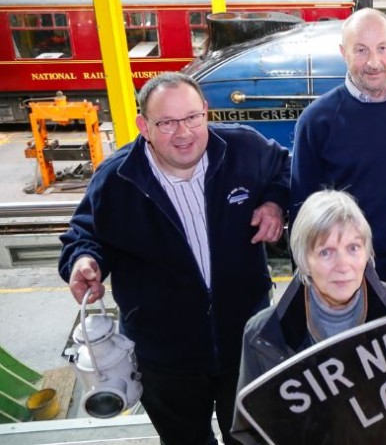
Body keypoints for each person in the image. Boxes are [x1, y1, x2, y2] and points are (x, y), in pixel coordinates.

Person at [59, 72, 290, 445]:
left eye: (192, 118)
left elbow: (286, 168)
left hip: (245, 344)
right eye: (166, 122)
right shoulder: (117, 179)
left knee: (252, 438)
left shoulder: (245, 150)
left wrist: (275, 202)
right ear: (144, 126)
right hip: (165, 360)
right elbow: (84, 234)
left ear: (206, 113)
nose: (183, 133)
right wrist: (85, 260)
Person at [232, 189, 386, 444]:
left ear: (367, 253)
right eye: (326, 252)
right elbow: (250, 433)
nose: (343, 265)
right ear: (304, 261)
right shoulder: (264, 335)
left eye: (353, 248)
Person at [291, 7, 386, 282]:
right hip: (348, 273)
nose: (374, 62)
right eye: (361, 50)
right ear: (343, 53)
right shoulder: (317, 121)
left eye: (382, 48)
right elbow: (302, 209)